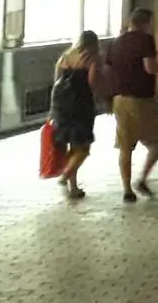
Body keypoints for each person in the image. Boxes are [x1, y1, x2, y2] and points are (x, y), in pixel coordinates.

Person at [106, 8, 158, 203]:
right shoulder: (145, 40)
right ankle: (142, 179)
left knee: (125, 147)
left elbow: (109, 69)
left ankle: (126, 189)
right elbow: (149, 67)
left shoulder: (115, 42)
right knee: (157, 143)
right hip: (141, 99)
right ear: (146, 23)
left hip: (119, 99)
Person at [50, 30, 100, 200]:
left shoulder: (65, 57)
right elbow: (92, 82)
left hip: (61, 106)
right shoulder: (92, 59)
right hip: (81, 105)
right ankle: (66, 175)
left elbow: (56, 81)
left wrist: (53, 109)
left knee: (72, 146)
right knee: (83, 147)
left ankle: (74, 188)